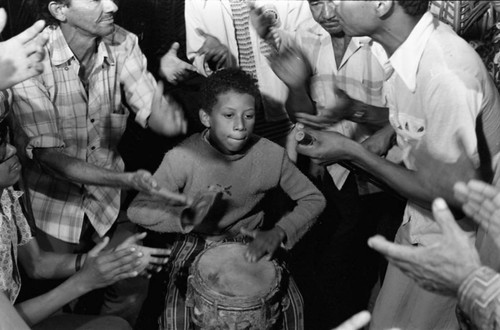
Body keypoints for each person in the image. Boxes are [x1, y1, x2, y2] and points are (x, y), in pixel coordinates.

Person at [295, 0, 500, 329]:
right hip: (420, 222)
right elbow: (414, 121)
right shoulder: (406, 51)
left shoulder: (446, 72)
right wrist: (356, 111)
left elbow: (450, 200)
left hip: (462, 243)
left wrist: (352, 152)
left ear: (381, 4)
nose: (330, 5)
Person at [8, 0, 187, 325]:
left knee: (132, 282)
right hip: (52, 207)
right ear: (60, 10)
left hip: (107, 204)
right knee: (56, 303)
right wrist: (126, 180)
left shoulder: (123, 41)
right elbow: (49, 158)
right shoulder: (31, 59)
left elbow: (149, 105)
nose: (113, 5)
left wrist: (164, 120)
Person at [127, 68, 326, 330]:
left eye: (249, 115)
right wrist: (187, 220)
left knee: (294, 307)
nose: (240, 126)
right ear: (206, 117)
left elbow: (314, 199)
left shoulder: (271, 155)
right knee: (175, 318)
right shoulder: (182, 157)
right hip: (194, 240)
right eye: (229, 115)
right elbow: (138, 209)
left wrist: (280, 232)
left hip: (249, 241)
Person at [266, 1, 404, 327]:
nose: (327, 13)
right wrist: (296, 86)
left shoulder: (380, 42)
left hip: (383, 179)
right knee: (329, 270)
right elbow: (302, 111)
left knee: (371, 268)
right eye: (317, 3)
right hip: (332, 171)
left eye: (335, 2)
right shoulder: (308, 38)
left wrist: (357, 112)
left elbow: (407, 117)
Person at [368, 179, 500, 330]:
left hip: (449, 256)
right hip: (414, 230)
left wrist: (358, 156)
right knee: (384, 321)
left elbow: (455, 200)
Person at [184, 0, 313, 146]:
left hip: (287, 115)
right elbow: (197, 55)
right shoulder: (195, 3)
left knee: (287, 161)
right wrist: (212, 58)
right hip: (237, 121)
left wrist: (271, 36)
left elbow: (309, 41)